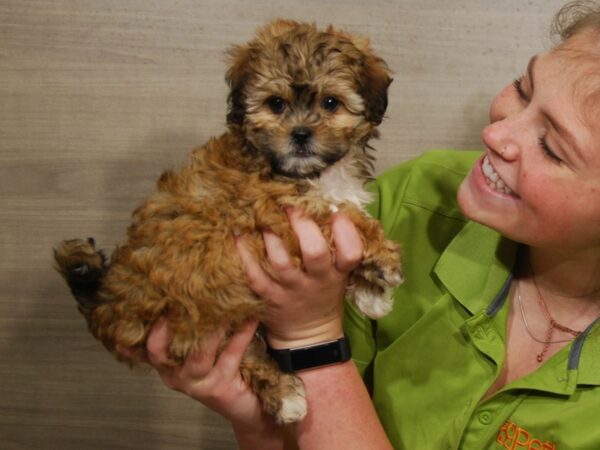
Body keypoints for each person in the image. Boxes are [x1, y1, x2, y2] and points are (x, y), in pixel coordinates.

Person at [137, 2, 600, 448]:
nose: (495, 134)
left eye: (552, 146)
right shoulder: (413, 200)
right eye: (522, 87)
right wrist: (258, 426)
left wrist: (311, 339)